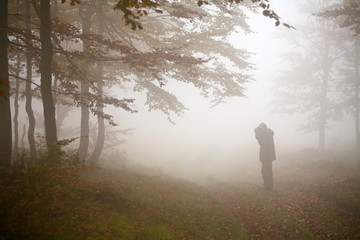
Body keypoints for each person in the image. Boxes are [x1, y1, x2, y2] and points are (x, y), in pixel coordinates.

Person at [254, 123, 276, 191]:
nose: (261, 130)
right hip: (268, 156)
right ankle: (269, 187)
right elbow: (260, 139)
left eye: (261, 128)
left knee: (265, 171)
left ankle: (268, 187)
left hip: (267, 156)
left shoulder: (268, 134)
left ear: (264, 128)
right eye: (260, 129)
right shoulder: (268, 133)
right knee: (267, 171)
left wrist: (257, 132)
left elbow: (261, 142)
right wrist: (258, 133)